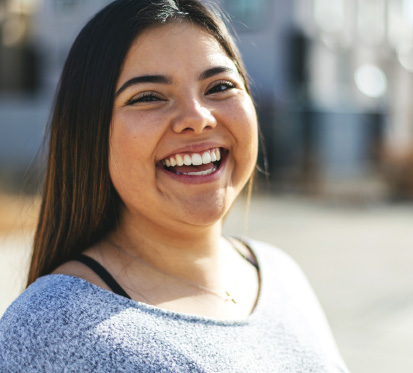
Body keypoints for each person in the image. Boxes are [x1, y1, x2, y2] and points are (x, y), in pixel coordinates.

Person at [0, 0, 349, 371]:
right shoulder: (53, 326)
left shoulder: (281, 275)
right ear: (90, 134)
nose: (197, 118)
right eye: (149, 97)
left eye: (220, 86)